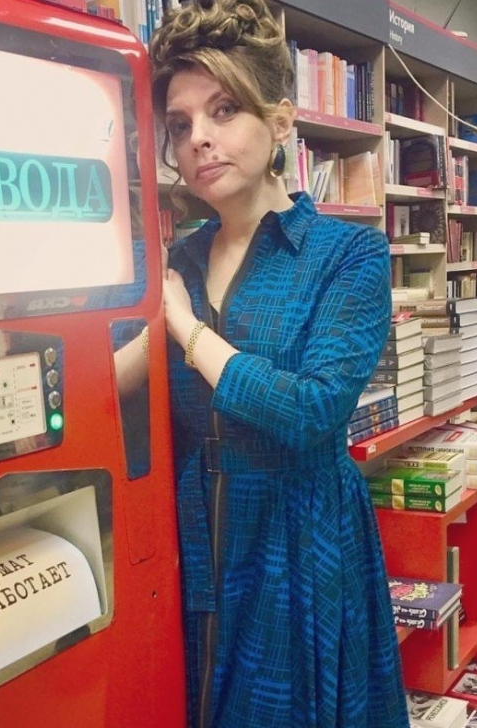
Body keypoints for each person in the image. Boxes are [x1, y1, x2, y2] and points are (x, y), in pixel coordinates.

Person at [148, 0, 409, 726]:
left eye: (224, 110)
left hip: (299, 540)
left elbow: (312, 409)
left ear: (282, 123)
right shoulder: (177, 261)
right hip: (194, 535)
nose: (199, 139)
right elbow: (133, 397)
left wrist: (187, 330)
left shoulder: (347, 254)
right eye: (180, 124)